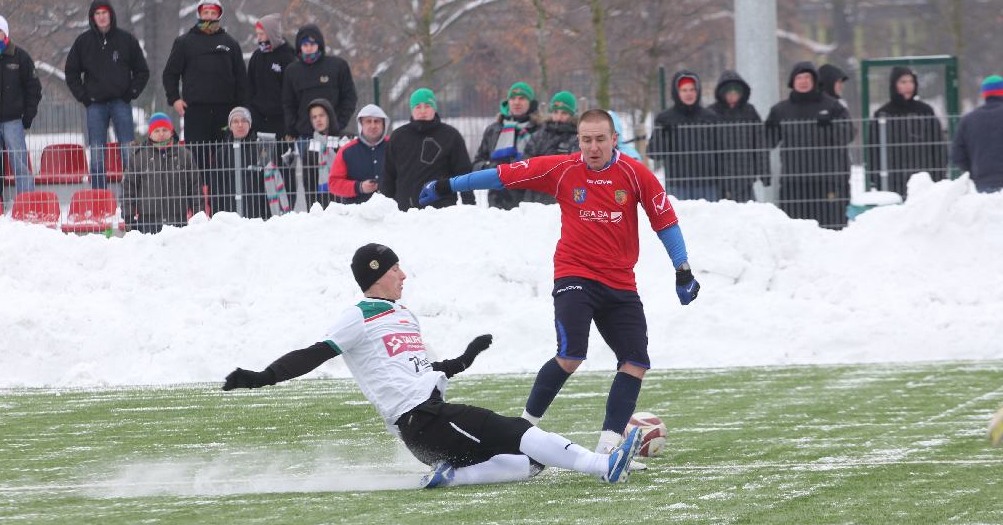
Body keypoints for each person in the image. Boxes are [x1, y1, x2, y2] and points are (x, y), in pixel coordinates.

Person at [222, 243, 644, 488]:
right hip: (421, 422)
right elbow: (315, 353)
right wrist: (264, 377)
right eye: (395, 268)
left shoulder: (404, 316)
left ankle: (450, 477)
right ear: (377, 274)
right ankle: (603, 466)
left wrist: (465, 357)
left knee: (529, 462)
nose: (403, 275)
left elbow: (420, 369)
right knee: (521, 432)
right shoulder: (358, 316)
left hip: (430, 425)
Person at [418, 109, 701, 455]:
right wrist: (448, 184)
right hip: (575, 275)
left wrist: (682, 268)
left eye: (600, 139)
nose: (593, 147)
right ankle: (520, 433)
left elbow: (664, 219)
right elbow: (502, 176)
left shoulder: (635, 173)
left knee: (635, 361)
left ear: (614, 140)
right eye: (586, 140)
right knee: (571, 355)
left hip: (620, 282)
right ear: (578, 141)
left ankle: (607, 451)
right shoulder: (562, 168)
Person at [162, 0, 249, 213]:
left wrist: (239, 110)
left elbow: (241, 79)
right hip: (196, 111)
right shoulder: (184, 42)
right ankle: (198, 209)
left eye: (213, 13)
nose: (209, 16)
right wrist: (175, 99)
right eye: (205, 13)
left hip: (224, 112)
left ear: (219, 14)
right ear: (199, 14)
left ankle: (223, 208)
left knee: (223, 160)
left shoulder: (230, 44)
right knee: (196, 160)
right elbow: (170, 74)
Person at [65, 0, 149, 190]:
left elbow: (142, 71)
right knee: (96, 152)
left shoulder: (126, 40)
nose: (102, 17)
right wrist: (83, 97)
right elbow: (71, 72)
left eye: (105, 13)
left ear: (111, 15)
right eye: (98, 14)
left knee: (127, 150)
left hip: (121, 103)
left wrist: (131, 93)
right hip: (94, 105)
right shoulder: (83, 42)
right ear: (92, 17)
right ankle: (99, 196)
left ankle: (132, 193)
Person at [765, 61, 854, 228]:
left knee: (830, 231)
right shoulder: (780, 110)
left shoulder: (832, 106)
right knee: (795, 232)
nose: (803, 81)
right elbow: (766, 141)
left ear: (815, 80)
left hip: (827, 181)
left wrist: (828, 127)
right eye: (799, 77)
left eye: (807, 77)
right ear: (792, 81)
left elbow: (848, 134)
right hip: (794, 182)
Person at [380, 88, 474, 211]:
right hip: (405, 212)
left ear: (434, 108)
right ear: (412, 109)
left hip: (441, 211)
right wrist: (386, 207)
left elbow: (463, 173)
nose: (423, 111)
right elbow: (388, 175)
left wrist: (470, 206)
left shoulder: (450, 136)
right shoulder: (398, 136)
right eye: (418, 107)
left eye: (427, 106)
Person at [0, 15, 41, 196]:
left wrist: (28, 115)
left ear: (5, 33)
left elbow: (33, 88)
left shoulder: (20, 57)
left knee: (20, 164)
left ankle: (27, 200)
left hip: (13, 120)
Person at [867, 66, 947, 198]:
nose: (908, 86)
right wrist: (877, 178)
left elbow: (938, 145)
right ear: (894, 84)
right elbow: (873, 150)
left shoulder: (925, 110)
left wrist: (938, 174)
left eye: (911, 81)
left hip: (924, 178)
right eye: (903, 82)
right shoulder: (883, 113)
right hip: (893, 180)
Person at [122, 113, 203, 234]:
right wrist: (129, 218)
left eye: (165, 130)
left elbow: (195, 188)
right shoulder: (138, 157)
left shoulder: (185, 155)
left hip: (178, 220)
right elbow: (128, 189)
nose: (161, 134)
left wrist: (198, 217)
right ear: (150, 133)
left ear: (171, 132)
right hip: (148, 222)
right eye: (156, 130)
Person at [647, 70, 720, 201]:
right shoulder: (665, 118)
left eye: (692, 89)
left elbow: (721, 150)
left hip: (707, 183)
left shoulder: (710, 117)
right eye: (684, 90)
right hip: (678, 184)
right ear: (677, 92)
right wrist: (664, 135)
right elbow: (654, 153)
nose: (689, 94)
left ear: (698, 91)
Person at [473, 81, 543, 210]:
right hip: (497, 201)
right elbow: (477, 163)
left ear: (531, 103)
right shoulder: (494, 130)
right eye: (513, 98)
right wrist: (491, 168)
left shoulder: (540, 130)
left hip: (530, 203)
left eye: (522, 98)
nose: (516, 102)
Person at [281, 24, 357, 139]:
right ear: (299, 47)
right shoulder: (292, 71)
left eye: (312, 44)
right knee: (307, 158)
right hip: (305, 135)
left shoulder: (337, 66)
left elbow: (349, 97)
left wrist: (339, 123)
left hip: (333, 135)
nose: (309, 48)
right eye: (305, 44)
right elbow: (288, 103)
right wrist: (294, 127)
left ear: (319, 45)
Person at [708, 70, 766, 202]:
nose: (733, 94)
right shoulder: (711, 112)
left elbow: (760, 143)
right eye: (729, 91)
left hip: (745, 177)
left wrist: (764, 172)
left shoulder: (750, 111)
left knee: (748, 216)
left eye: (736, 91)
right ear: (722, 92)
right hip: (719, 177)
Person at [214, 106, 281, 219]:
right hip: (230, 214)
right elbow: (216, 187)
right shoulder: (221, 153)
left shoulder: (262, 148)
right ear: (230, 126)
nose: (240, 125)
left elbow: (271, 181)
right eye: (235, 121)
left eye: (244, 120)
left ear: (250, 124)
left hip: (259, 213)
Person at [951, 75, 1003, 194]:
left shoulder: (968, 120)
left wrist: (974, 171)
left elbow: (957, 155)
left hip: (983, 182)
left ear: (984, 94)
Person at [329, 104, 389, 204]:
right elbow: (333, 184)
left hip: (391, 212)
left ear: (384, 124)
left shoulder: (395, 146)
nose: (373, 125)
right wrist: (359, 187)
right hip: (356, 214)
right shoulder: (346, 151)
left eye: (377, 121)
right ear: (361, 124)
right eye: (368, 121)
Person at [247, 13, 296, 138]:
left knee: (280, 155)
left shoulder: (288, 57)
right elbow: (249, 86)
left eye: (261, 34)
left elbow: (292, 91)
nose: (258, 38)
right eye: (257, 34)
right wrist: (251, 109)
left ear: (271, 34)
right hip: (258, 118)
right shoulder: (256, 56)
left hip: (281, 120)